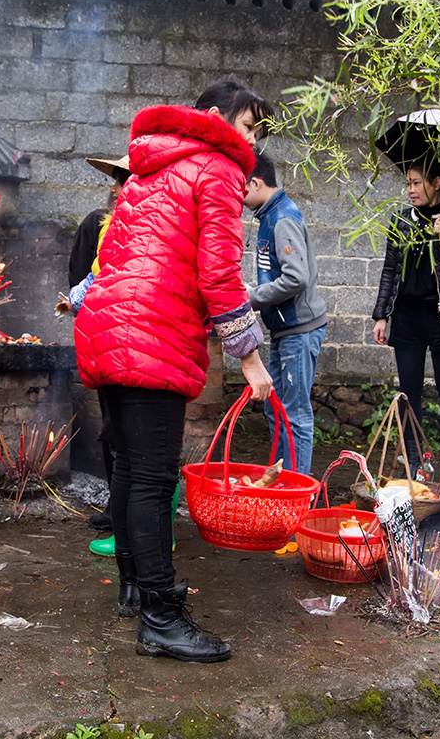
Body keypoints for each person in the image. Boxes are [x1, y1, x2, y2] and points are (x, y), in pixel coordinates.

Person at [74, 79, 274, 663]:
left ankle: (137, 589)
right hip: (152, 334)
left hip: (109, 327)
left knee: (133, 471)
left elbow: (114, 258)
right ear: (214, 117)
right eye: (248, 124)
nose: (251, 139)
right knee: (154, 478)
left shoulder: (146, 169)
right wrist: (251, 359)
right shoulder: (216, 168)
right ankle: (162, 616)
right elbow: (218, 276)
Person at [371, 158, 440, 463]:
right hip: (407, 314)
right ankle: (414, 455)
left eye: (416, 183)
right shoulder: (402, 220)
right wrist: (382, 314)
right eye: (407, 184)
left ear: (437, 183)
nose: (410, 190)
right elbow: (390, 269)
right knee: (409, 391)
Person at [243, 151, 327, 478]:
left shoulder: (282, 218)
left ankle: (295, 491)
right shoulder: (269, 215)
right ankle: (278, 479)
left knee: (294, 415)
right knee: (275, 409)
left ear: (255, 182)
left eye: (240, 188)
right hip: (284, 330)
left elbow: (296, 278)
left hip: (299, 330)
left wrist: (250, 298)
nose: (237, 197)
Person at [68, 155, 131, 536]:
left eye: (125, 180)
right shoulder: (96, 225)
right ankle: (116, 506)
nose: (119, 188)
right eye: (120, 181)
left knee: (127, 431)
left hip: (135, 345)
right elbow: (79, 278)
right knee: (112, 426)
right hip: (105, 339)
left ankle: (125, 512)